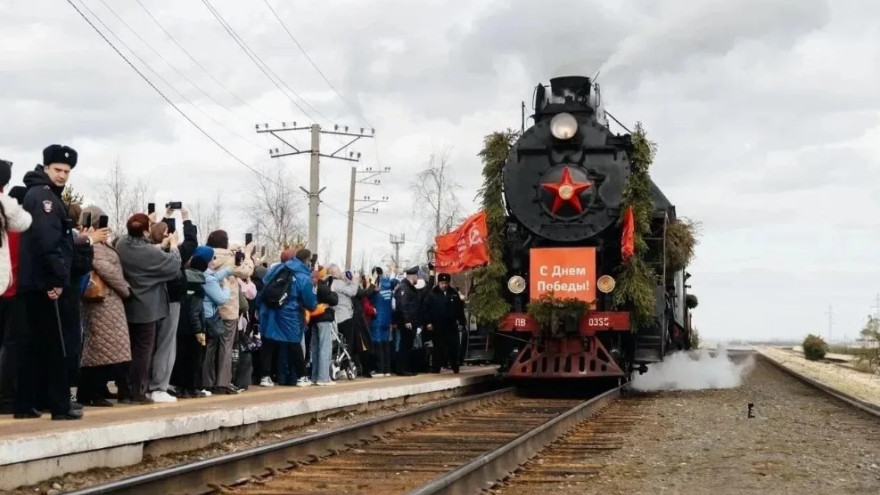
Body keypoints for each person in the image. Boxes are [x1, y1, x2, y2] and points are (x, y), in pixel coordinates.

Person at [15, 145, 81, 420]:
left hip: (34, 281)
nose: (62, 175)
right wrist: (57, 280)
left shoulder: (40, 193)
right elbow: (48, 242)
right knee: (56, 346)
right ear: (46, 168)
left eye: (66, 171)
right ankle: (59, 406)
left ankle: (25, 403)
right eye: (57, 170)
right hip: (44, 282)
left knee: (33, 346)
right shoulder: (45, 198)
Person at [116, 213, 182, 404]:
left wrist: (159, 245)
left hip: (127, 304)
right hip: (147, 307)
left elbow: (142, 248)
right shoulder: (150, 253)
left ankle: (123, 390)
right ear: (145, 232)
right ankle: (138, 391)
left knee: (126, 349)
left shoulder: (121, 244)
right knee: (143, 351)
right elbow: (173, 266)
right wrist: (174, 245)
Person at [78, 206, 131, 407]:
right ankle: (90, 391)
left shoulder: (98, 243)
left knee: (105, 347)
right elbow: (106, 269)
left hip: (107, 301)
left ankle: (96, 389)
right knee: (100, 347)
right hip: (102, 300)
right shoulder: (94, 244)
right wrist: (125, 289)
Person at [148, 209, 198, 403]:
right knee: (166, 345)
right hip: (171, 301)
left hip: (150, 301)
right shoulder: (174, 253)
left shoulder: (148, 251)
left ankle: (146, 384)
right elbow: (191, 242)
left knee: (148, 344)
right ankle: (159, 386)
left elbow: (155, 234)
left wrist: (166, 217)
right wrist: (186, 219)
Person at [203, 230, 255, 395]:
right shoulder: (232, 259)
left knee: (210, 346)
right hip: (228, 308)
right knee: (226, 346)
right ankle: (223, 382)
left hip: (209, 309)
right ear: (226, 242)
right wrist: (247, 254)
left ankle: (206, 381)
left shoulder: (207, 257)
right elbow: (246, 271)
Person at [258, 248, 317, 387]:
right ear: (307, 261)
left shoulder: (278, 268)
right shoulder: (303, 277)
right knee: (294, 344)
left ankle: (265, 376)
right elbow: (310, 302)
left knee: (268, 342)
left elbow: (266, 281)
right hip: (290, 313)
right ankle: (302, 376)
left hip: (270, 309)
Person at [0, 160, 32, 409]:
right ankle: (6, 395)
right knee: (11, 345)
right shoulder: (12, 219)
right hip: (11, 290)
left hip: (11, 288)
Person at [173, 246, 214, 399]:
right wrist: (199, 331)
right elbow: (195, 312)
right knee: (194, 360)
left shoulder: (182, 281)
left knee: (180, 358)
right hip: (193, 330)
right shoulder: (198, 288)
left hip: (179, 326)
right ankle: (192, 388)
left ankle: (180, 388)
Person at [422, 273, 467, 374]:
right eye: (442, 283)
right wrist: (428, 322)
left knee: (453, 346)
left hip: (451, 325)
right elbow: (426, 310)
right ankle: (436, 367)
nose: (444, 285)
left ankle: (454, 365)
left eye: (446, 283)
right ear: (438, 283)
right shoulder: (432, 294)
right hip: (437, 324)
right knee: (438, 347)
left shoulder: (453, 293)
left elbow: (459, 309)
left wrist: (461, 322)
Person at [309, 264, 337, 386]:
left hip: (314, 319)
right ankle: (323, 377)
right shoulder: (323, 287)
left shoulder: (311, 286)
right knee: (325, 347)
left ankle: (314, 376)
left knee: (315, 348)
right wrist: (332, 290)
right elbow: (334, 300)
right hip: (324, 319)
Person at [392, 266, 421, 376]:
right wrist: (407, 320)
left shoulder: (410, 288)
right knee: (405, 345)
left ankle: (407, 367)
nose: (417, 279)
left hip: (412, 321)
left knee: (408, 345)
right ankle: (402, 368)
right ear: (413, 277)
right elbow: (402, 306)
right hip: (406, 322)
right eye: (417, 276)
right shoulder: (404, 288)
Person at [369, 267, 396, 377]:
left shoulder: (375, 286)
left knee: (378, 344)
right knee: (386, 344)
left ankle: (379, 370)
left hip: (377, 319)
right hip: (387, 319)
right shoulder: (389, 285)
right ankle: (387, 369)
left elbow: (368, 296)